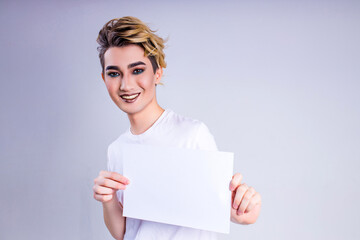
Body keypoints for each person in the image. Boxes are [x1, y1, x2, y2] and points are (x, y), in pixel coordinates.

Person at [93, 16, 262, 240]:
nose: (126, 85)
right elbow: (123, 233)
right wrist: (108, 198)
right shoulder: (116, 149)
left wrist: (246, 207)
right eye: (114, 73)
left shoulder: (192, 134)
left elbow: (232, 212)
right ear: (104, 78)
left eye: (137, 70)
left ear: (158, 73)